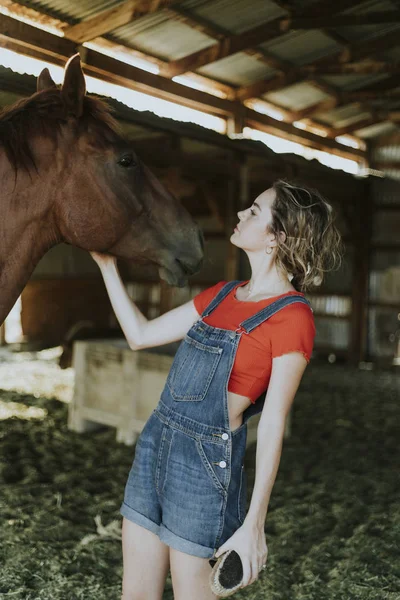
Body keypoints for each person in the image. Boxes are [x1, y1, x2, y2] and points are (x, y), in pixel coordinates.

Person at [90, 179, 343, 600]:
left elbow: (275, 423)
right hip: (155, 443)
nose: (242, 214)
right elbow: (139, 334)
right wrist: (106, 266)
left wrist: (254, 523)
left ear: (277, 237)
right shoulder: (220, 294)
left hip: (204, 466)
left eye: (255, 212)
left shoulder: (293, 318)